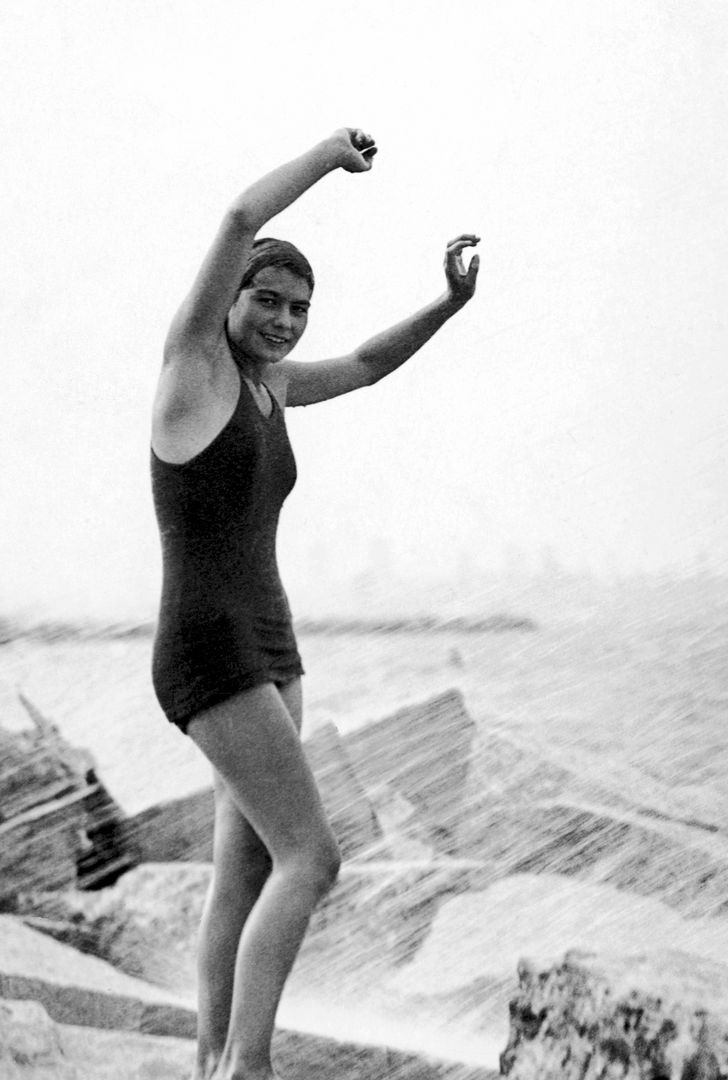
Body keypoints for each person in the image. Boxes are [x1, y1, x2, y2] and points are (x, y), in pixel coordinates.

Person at [150, 128, 479, 1080]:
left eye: (299, 308)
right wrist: (333, 154)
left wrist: (448, 306)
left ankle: (212, 1060)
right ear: (233, 299)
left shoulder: (272, 387)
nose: (286, 320)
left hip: (271, 645)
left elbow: (371, 364)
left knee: (245, 870)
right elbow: (242, 217)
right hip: (209, 649)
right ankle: (247, 1066)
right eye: (268, 300)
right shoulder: (194, 368)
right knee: (314, 860)